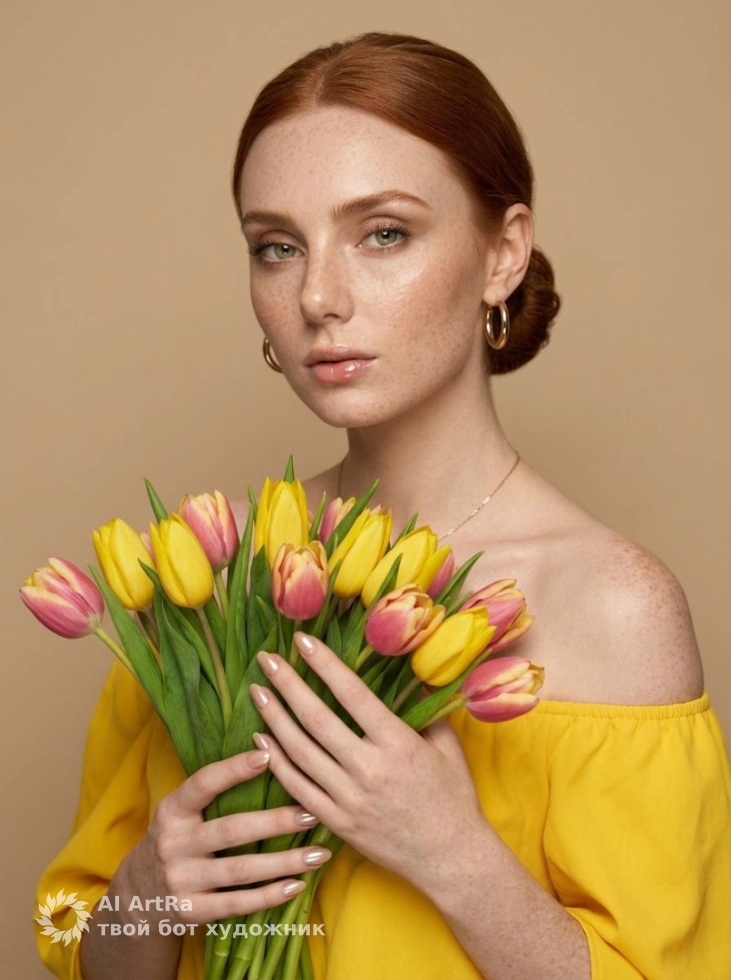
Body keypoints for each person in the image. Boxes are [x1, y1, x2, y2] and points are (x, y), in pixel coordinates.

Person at [36, 31, 731, 980]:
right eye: (277, 247)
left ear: (503, 255)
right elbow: (78, 946)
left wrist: (453, 856)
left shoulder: (612, 606)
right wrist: (150, 888)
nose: (318, 296)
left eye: (384, 234)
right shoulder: (205, 577)